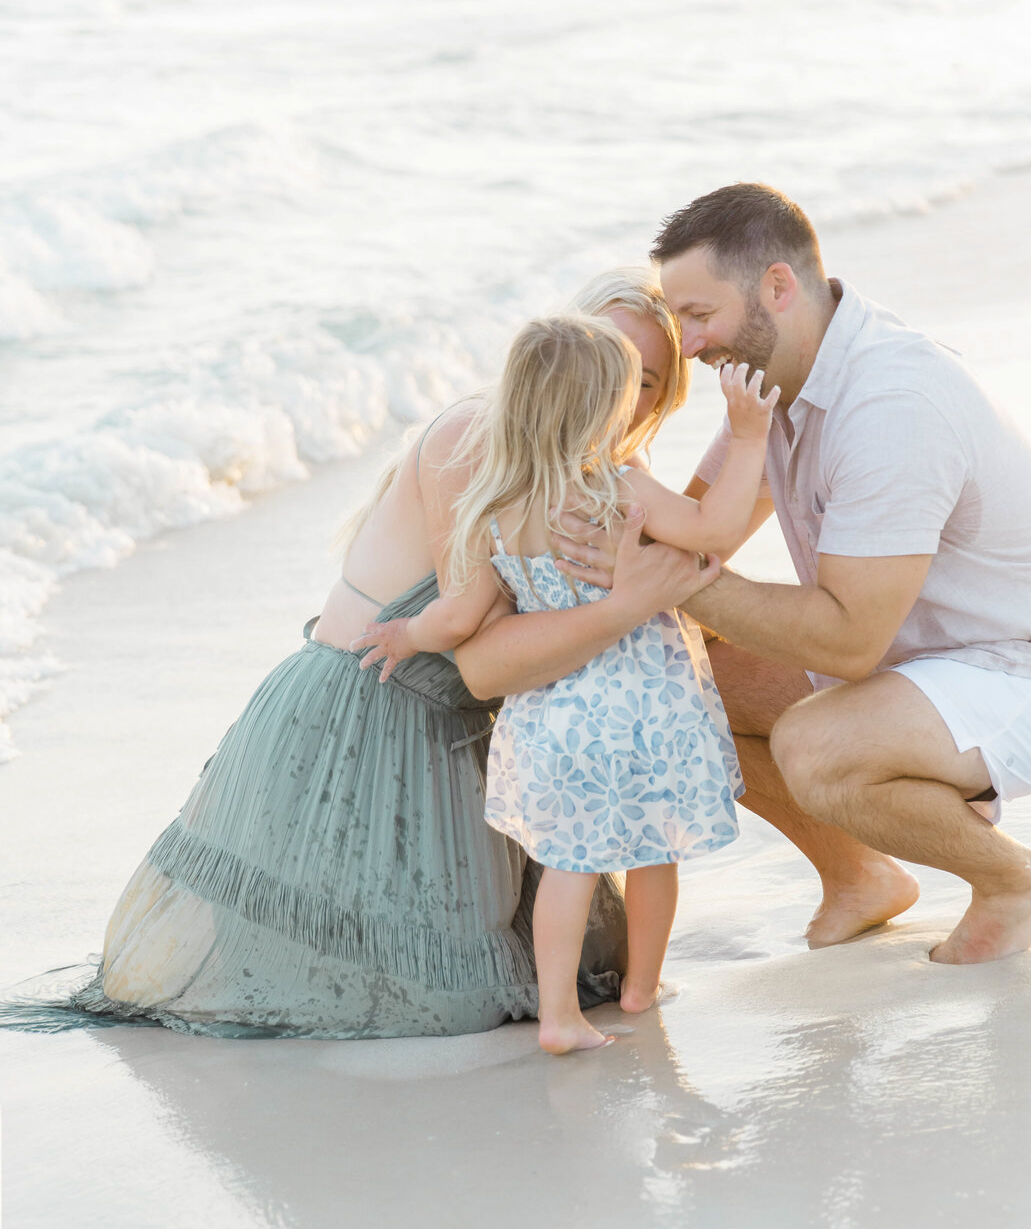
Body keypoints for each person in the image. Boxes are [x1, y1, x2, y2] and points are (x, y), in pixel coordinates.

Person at [0, 270, 714, 1039]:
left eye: (641, 379)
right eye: (600, 353)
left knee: (572, 961)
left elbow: (691, 555)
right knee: (442, 997)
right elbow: (482, 661)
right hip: (365, 710)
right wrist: (626, 604)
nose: (614, 389)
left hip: (469, 733)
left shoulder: (601, 480)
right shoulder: (475, 440)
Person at [548, 183, 1031, 966]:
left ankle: (1013, 879)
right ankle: (861, 875)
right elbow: (694, 533)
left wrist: (662, 579)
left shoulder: (891, 402)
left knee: (817, 747)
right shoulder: (775, 381)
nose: (685, 345)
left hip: (1030, 670)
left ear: (777, 288)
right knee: (686, 666)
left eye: (698, 316)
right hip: (914, 662)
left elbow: (847, 641)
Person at [356, 314, 778, 1052]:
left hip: (554, 718)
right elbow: (713, 529)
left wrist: (404, 634)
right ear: (607, 410)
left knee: (568, 866)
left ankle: (558, 1016)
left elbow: (457, 618)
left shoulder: (492, 508)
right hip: (645, 708)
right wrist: (746, 439)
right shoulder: (621, 489)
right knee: (653, 854)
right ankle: (641, 987)